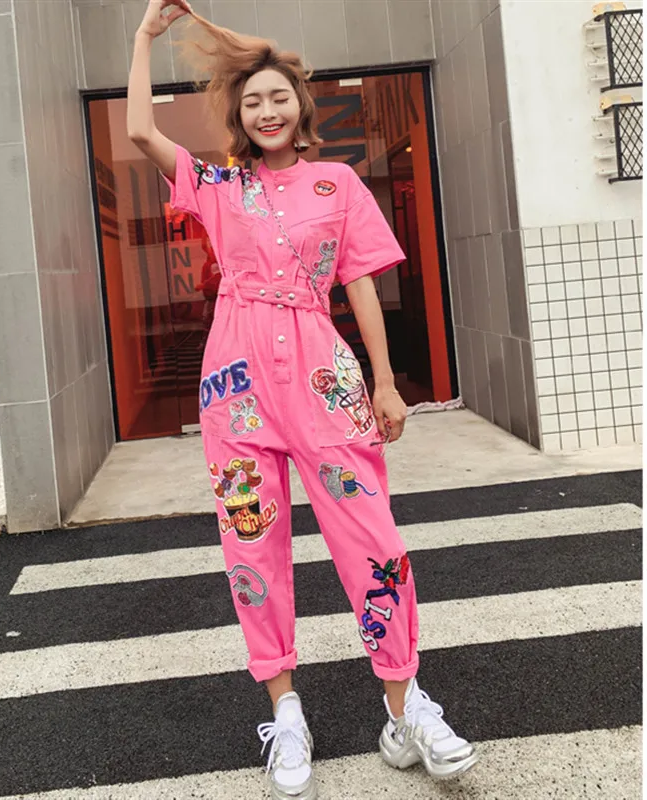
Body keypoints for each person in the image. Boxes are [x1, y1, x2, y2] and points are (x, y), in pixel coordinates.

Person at [127, 3, 478, 797]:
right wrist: (145, 37)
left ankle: (405, 708)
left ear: (300, 104)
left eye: (278, 97)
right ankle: (285, 713)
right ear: (239, 115)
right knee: (252, 548)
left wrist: (384, 381)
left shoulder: (338, 183)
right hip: (237, 387)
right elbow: (141, 132)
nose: (267, 110)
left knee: (372, 539)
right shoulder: (220, 186)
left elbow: (360, 283)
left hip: (325, 378)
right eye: (252, 101)